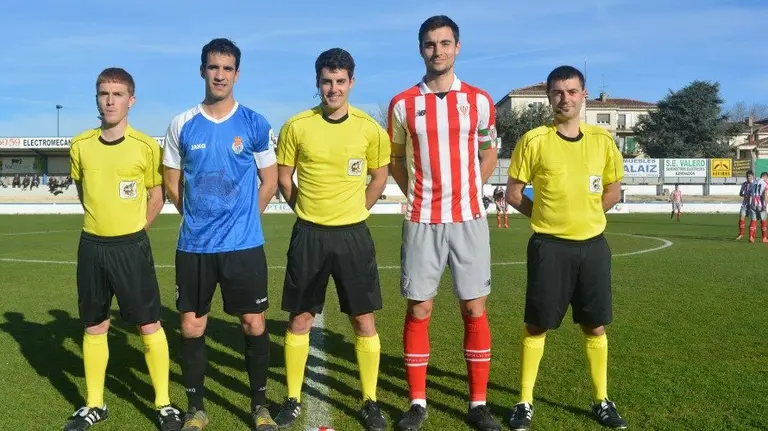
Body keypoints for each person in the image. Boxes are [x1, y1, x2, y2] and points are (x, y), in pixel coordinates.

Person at [388, 15, 501, 431]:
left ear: (457, 47)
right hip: (422, 219)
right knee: (420, 308)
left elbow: (488, 152)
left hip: (469, 218)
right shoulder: (402, 104)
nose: (437, 51)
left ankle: (477, 403)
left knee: (474, 307)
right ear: (421, 49)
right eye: (430, 44)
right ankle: (417, 402)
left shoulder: (480, 100)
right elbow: (396, 160)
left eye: (445, 43)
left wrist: (472, 185)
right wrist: (415, 191)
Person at [162, 38, 279, 431]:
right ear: (202, 71)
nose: (220, 75)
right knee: (192, 326)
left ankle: (259, 405)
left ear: (237, 74)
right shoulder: (182, 124)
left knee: (253, 323)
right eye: (213, 67)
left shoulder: (254, 123)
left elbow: (270, 180)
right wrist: (197, 218)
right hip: (194, 246)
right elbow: (172, 183)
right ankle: (196, 409)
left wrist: (245, 217)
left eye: (227, 68)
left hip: (243, 245)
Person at [272, 47, 390, 431]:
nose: (333, 89)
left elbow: (379, 176)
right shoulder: (296, 126)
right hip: (309, 235)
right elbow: (284, 177)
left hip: (354, 235)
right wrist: (303, 209)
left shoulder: (370, 129)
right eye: (327, 81)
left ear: (351, 82)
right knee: (301, 318)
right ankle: (292, 397)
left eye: (340, 82)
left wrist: (359, 211)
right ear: (317, 82)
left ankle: (370, 399)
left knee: (362, 318)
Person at [504, 65, 628, 430]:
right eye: (558, 92)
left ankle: (602, 400)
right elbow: (513, 193)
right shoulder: (533, 140)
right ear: (549, 97)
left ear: (584, 95)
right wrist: (544, 215)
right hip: (549, 247)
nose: (565, 98)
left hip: (592, 247)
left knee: (595, 326)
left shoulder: (603, 140)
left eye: (572, 91)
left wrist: (587, 214)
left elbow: (613, 190)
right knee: (536, 325)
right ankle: (524, 402)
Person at [64, 67, 183, 431]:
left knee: (149, 324)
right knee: (95, 325)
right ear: (97, 98)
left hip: (131, 248)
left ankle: (163, 404)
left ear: (131, 100)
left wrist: (133, 230)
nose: (110, 100)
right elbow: (85, 195)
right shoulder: (80, 145)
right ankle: (94, 404)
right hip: (92, 247)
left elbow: (156, 195)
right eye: (104, 93)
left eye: (117, 94)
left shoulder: (146, 146)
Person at [746, 171, 768, 243]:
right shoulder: (765, 183)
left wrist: (749, 204)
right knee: (763, 220)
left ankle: (751, 237)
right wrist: (765, 204)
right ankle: (764, 238)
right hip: (760, 204)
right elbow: (765, 194)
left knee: (753, 220)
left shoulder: (753, 182)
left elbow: (749, 194)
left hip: (753, 203)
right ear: (765, 177)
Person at [736, 170, 755, 240]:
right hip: (745, 204)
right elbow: (740, 193)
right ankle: (741, 234)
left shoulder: (756, 184)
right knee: (741, 218)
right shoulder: (744, 184)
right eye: (747, 177)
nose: (748, 178)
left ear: (752, 176)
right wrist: (744, 194)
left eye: (750, 176)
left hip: (753, 204)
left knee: (753, 220)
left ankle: (752, 236)